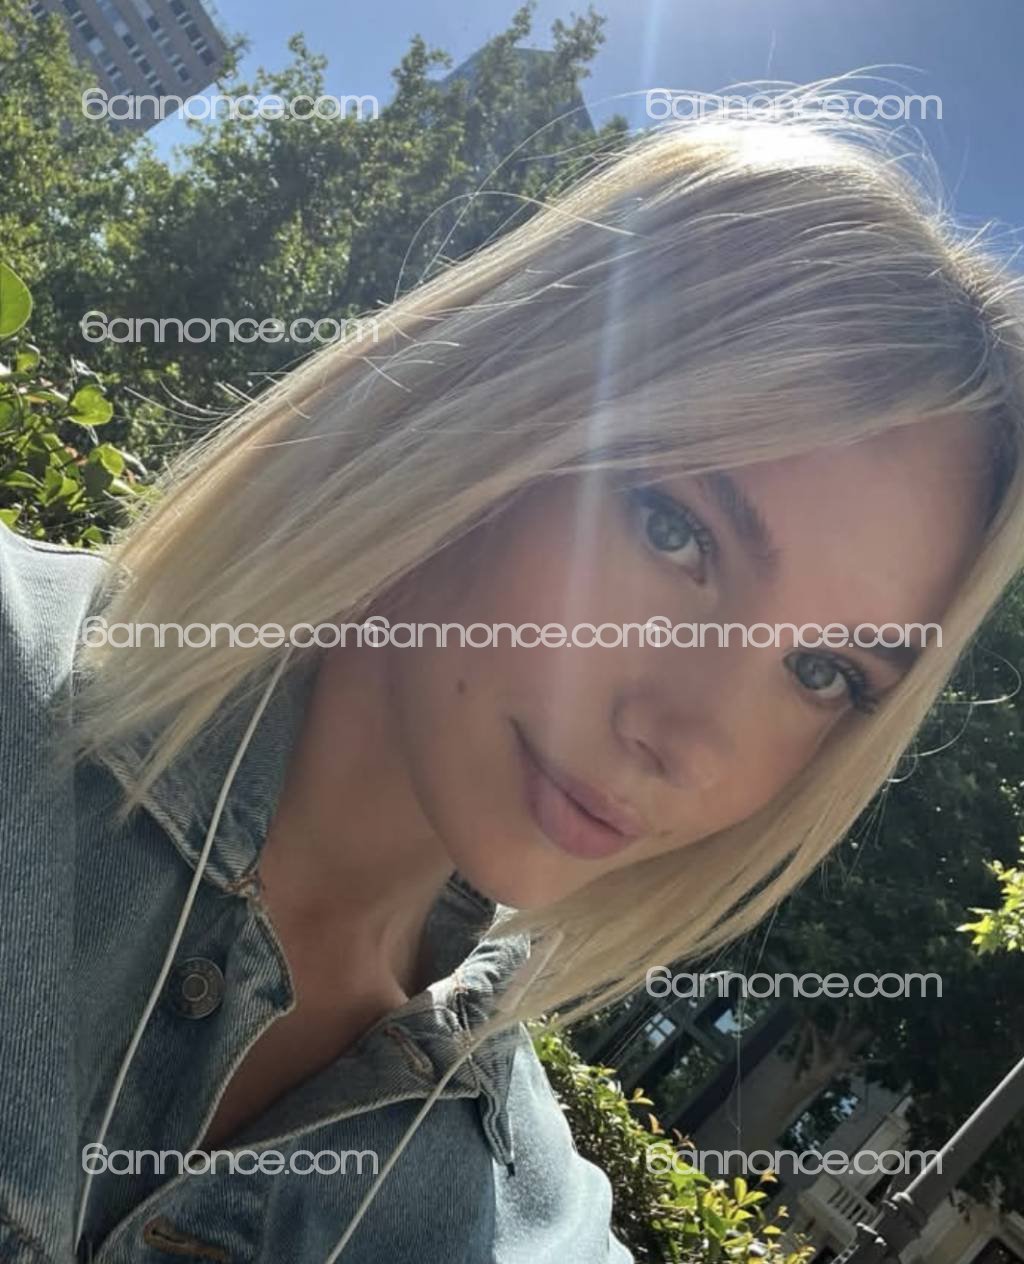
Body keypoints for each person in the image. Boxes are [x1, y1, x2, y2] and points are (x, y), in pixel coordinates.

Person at [2, 105, 1024, 1264]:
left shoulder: (534, 1218)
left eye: (822, 669)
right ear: (494, 410)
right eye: (674, 528)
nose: (689, 739)